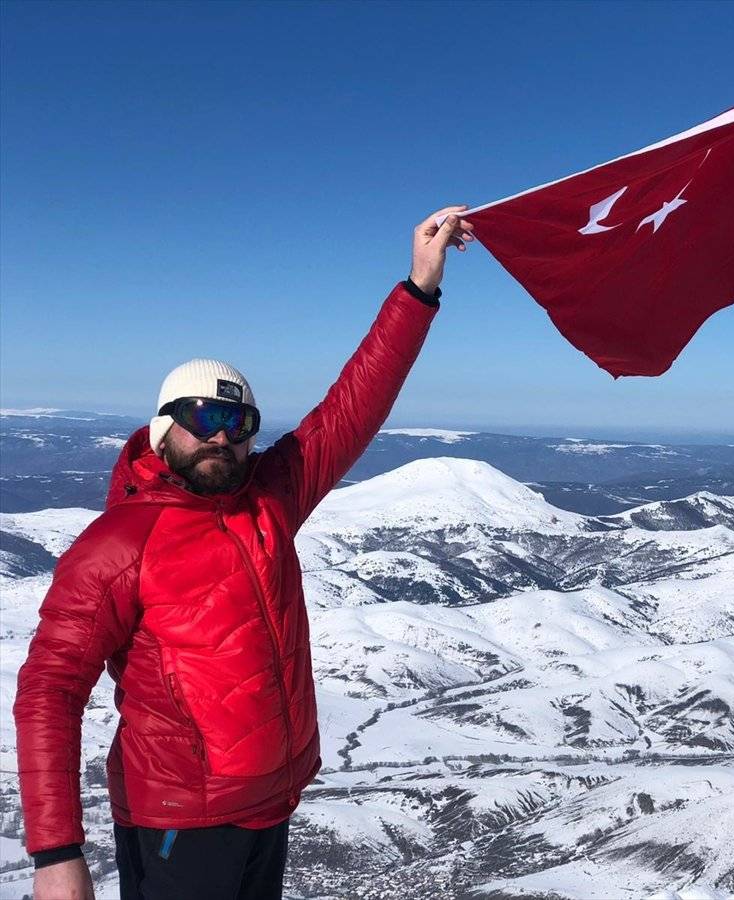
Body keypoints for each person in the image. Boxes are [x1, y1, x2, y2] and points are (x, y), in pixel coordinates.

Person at [14, 207, 475, 900]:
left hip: (270, 807)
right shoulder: (116, 546)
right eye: (204, 419)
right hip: (180, 822)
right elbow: (49, 693)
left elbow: (354, 405)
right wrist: (56, 853)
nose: (222, 437)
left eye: (239, 423)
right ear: (163, 429)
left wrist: (419, 285)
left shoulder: (269, 499)